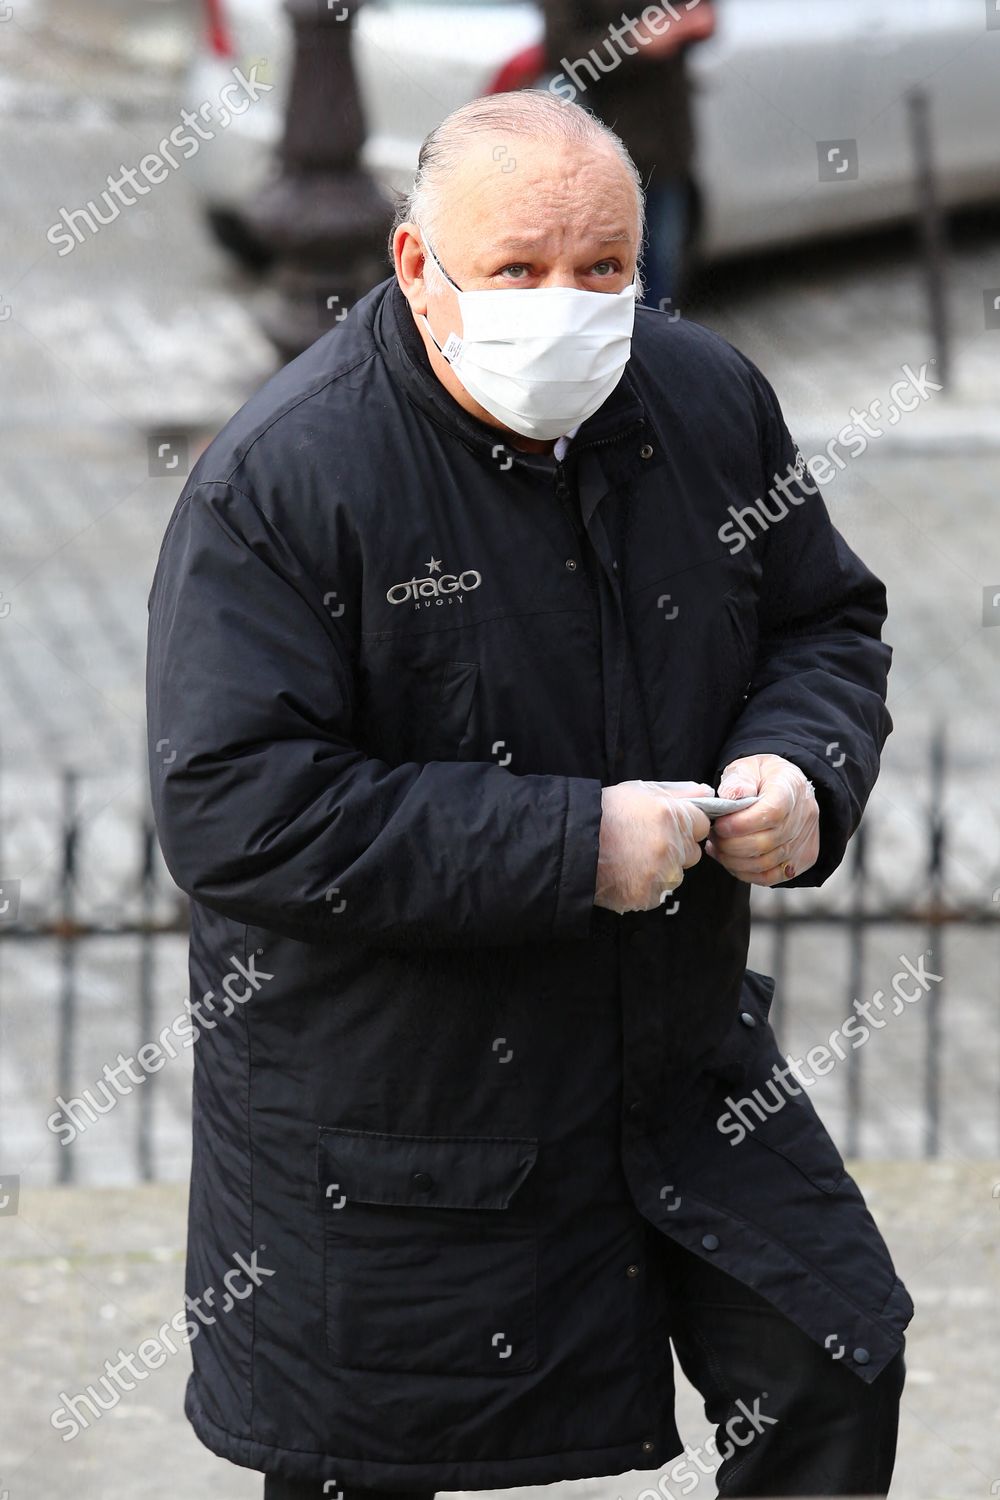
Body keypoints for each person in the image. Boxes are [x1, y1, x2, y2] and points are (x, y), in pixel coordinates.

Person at [146, 91, 911, 1500]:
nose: (568, 303)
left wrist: (807, 768)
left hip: (673, 1060)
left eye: (604, 266)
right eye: (519, 269)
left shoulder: (706, 399)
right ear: (415, 267)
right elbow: (237, 810)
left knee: (835, 1356)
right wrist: (575, 845)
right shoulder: (285, 475)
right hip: (387, 1109)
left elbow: (823, 624)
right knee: (359, 1460)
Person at [541, 0, 717, 311]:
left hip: (667, 147)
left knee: (662, 265)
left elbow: (701, 15)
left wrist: (694, 22)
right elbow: (563, 53)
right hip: (601, 155)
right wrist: (634, 42)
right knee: (606, 274)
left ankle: (657, 345)